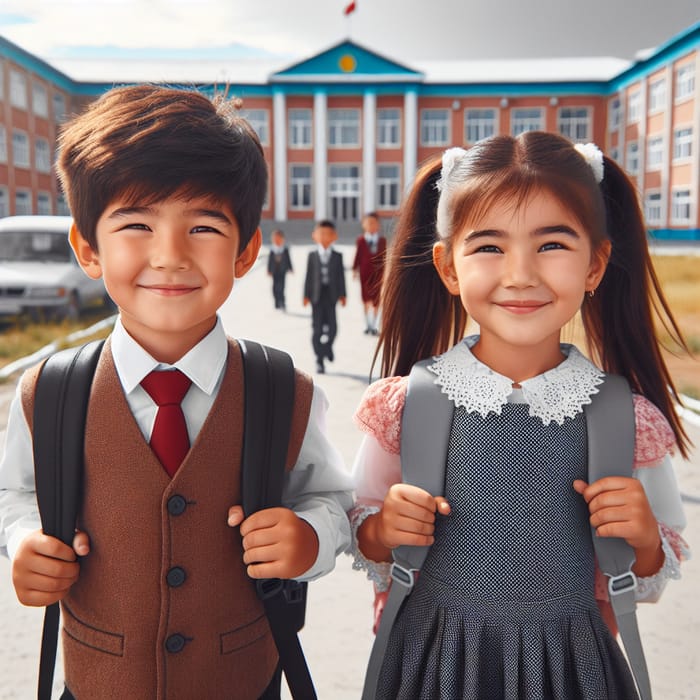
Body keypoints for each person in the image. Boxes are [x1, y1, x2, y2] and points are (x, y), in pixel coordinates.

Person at [0, 85, 353, 700]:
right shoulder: (49, 393)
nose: (169, 256)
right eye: (136, 224)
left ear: (245, 251)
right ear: (87, 248)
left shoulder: (283, 390)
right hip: (97, 682)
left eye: (204, 226)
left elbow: (329, 496)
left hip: (244, 679)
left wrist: (311, 537)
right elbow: (16, 491)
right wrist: (23, 540)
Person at [349, 133, 691, 699]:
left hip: (570, 670)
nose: (521, 274)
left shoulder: (622, 417)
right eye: (489, 246)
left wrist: (645, 538)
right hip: (435, 664)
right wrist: (383, 529)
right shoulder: (409, 404)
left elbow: (649, 574)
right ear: (448, 266)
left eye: (552, 244)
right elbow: (362, 533)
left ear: (596, 264)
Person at [303, 220, 347, 374]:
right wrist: (305, 295)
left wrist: (343, 295)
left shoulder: (337, 256)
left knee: (333, 328)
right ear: (314, 236)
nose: (324, 237)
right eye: (321, 233)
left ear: (334, 236)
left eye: (328, 234)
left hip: (332, 295)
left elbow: (341, 276)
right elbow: (308, 276)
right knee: (317, 329)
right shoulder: (312, 255)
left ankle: (327, 348)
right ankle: (319, 359)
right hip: (316, 296)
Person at [352, 212, 387, 335]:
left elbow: (385, 257)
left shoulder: (382, 240)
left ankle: (375, 325)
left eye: (374, 223)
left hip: (378, 274)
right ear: (363, 225)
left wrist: (386, 272)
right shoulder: (361, 240)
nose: (371, 225)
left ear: (378, 225)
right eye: (368, 223)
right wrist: (354, 269)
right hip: (364, 274)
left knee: (376, 300)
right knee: (365, 299)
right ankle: (368, 325)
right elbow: (358, 256)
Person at [267, 228, 293, 310]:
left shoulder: (285, 249)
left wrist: (290, 268)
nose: (277, 240)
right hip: (274, 271)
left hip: (282, 270)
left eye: (279, 238)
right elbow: (270, 261)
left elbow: (288, 259)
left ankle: (282, 302)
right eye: (275, 238)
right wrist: (269, 270)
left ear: (283, 239)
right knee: (275, 287)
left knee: (282, 286)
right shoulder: (272, 250)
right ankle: (277, 302)